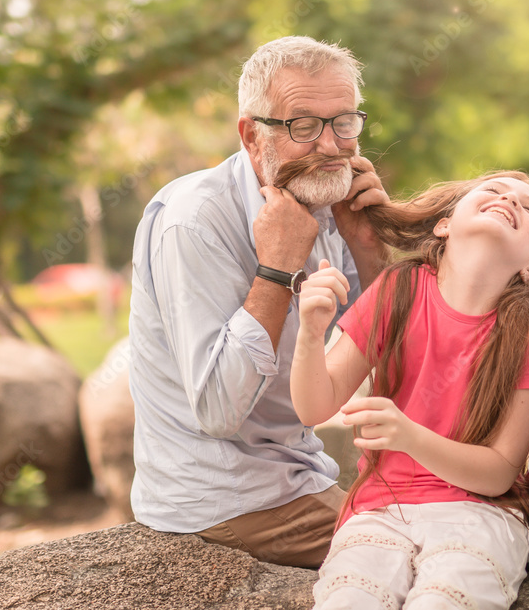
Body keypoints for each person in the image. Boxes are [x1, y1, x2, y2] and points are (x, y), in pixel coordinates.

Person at [127, 36, 390, 568]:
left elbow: (383, 351)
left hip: (298, 473)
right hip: (227, 497)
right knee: (418, 550)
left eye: (344, 122)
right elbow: (218, 412)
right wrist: (275, 270)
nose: (331, 145)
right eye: (303, 125)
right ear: (251, 135)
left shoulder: (321, 200)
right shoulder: (194, 219)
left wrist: (368, 250)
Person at [290, 171, 529, 609]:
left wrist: (410, 436)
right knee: (349, 599)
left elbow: (496, 473)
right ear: (445, 224)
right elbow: (313, 406)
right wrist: (309, 333)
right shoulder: (399, 289)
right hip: (381, 508)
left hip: (482, 513)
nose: (508, 198)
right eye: (492, 190)